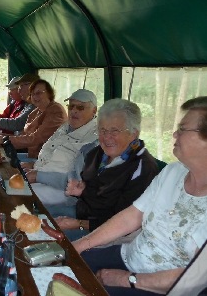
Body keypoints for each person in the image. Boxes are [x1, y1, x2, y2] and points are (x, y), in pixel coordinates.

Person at [72, 96, 207, 296]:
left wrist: (126, 279)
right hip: (131, 256)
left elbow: (195, 279)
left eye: (183, 129)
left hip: (166, 287)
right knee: (63, 265)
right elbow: (133, 215)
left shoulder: (144, 166)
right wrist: (80, 245)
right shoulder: (173, 172)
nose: (174, 133)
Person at [48, 99, 159, 241]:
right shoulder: (97, 154)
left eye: (114, 131)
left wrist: (79, 224)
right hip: (81, 213)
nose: (107, 137)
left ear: (134, 133)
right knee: (38, 218)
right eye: (103, 130)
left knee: (48, 239)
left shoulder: (143, 169)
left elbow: (124, 222)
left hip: (107, 233)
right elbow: (92, 191)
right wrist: (82, 190)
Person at [21, 89, 99, 206]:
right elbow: (51, 154)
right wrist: (34, 165)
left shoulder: (94, 139)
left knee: (18, 196)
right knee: (6, 182)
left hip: (63, 190)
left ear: (94, 111)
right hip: (39, 177)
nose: (74, 111)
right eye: (71, 106)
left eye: (80, 108)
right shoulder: (65, 127)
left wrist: (39, 176)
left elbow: (80, 181)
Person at [0, 79, 67, 160]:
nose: (35, 96)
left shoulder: (55, 110)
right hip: (34, 155)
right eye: (32, 94)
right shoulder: (36, 111)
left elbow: (35, 138)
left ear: (49, 93)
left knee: (3, 164)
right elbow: (22, 136)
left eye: (39, 93)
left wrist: (1, 139)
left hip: (47, 161)